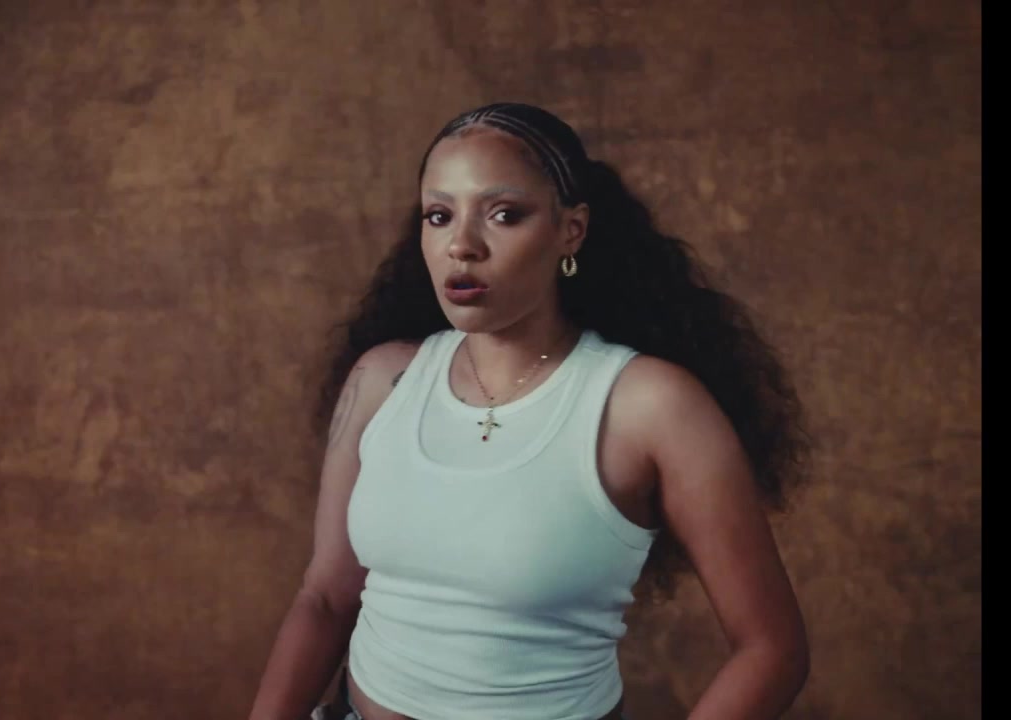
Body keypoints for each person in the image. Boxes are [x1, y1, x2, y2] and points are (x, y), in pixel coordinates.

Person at [248, 102, 812, 720]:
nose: (462, 245)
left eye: (504, 214)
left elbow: (772, 650)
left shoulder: (649, 405)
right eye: (439, 215)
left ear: (571, 230)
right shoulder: (383, 379)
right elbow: (326, 598)